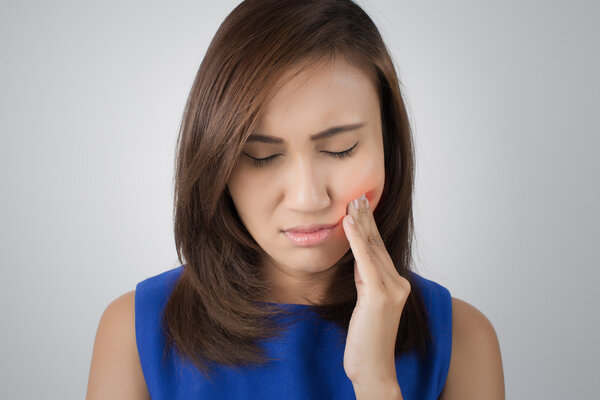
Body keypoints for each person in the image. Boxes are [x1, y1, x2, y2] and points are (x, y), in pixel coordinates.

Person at [86, 0, 505, 399]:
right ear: (217, 163)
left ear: (388, 146)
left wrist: (376, 381)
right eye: (262, 157)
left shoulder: (464, 341)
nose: (307, 199)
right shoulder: (134, 333)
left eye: (340, 149)